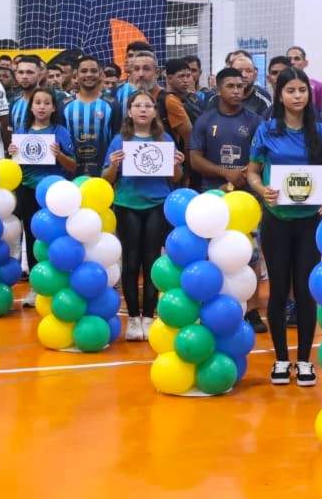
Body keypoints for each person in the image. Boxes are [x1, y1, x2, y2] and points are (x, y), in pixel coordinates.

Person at [246, 68, 322, 386]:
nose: (297, 96)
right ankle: (282, 359)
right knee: (278, 290)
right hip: (276, 221)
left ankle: (305, 361)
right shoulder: (267, 130)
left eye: (302, 90)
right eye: (291, 91)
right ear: (280, 95)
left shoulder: (320, 133)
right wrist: (262, 189)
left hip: (309, 222)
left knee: (305, 291)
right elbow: (252, 171)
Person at [190, 67, 267, 333]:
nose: (236, 91)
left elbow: (263, 157)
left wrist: (245, 175)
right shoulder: (205, 120)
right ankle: (210, 306)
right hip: (214, 196)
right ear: (218, 89)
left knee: (250, 254)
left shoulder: (256, 121)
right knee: (212, 254)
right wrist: (225, 174)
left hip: (247, 199)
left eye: (240, 86)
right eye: (230, 86)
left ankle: (253, 310)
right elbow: (195, 159)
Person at [104, 90, 186, 341]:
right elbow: (106, 178)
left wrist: (176, 163)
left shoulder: (165, 139)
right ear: (129, 111)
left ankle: (148, 316)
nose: (142, 109)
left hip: (156, 205)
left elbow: (176, 177)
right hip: (127, 205)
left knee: (152, 261)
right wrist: (114, 164)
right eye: (137, 105)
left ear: (154, 112)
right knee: (130, 262)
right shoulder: (119, 140)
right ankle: (133, 318)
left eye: (148, 106)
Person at [8, 89, 76, 278]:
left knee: (55, 234)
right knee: (32, 233)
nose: (42, 107)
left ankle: (57, 276)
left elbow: (72, 165)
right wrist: (11, 153)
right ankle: (36, 278)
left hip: (53, 193)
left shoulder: (60, 132)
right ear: (31, 107)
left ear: (53, 108)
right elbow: (13, 167)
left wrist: (59, 155)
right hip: (27, 190)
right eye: (37, 103)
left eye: (47, 103)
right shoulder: (21, 132)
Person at [63, 55, 115, 180]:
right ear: (76, 75)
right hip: (70, 175)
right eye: (84, 71)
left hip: (103, 175)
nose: (89, 74)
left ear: (101, 74)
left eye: (93, 71)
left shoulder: (112, 105)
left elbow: (116, 140)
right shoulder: (64, 105)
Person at [9, 55, 43, 132]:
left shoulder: (52, 100)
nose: (24, 76)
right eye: (21, 72)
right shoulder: (13, 103)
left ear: (39, 75)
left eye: (29, 72)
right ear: (16, 75)